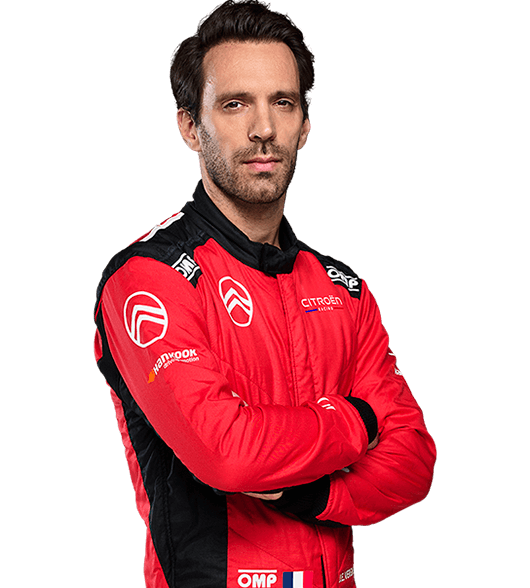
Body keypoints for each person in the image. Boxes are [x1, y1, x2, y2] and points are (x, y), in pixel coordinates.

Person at [93, 2, 436, 586]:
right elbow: (228, 453)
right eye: (235, 104)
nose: (263, 129)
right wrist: (358, 419)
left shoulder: (343, 287)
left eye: (283, 102)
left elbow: (414, 463)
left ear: (305, 125)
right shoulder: (148, 278)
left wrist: (310, 492)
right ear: (189, 127)